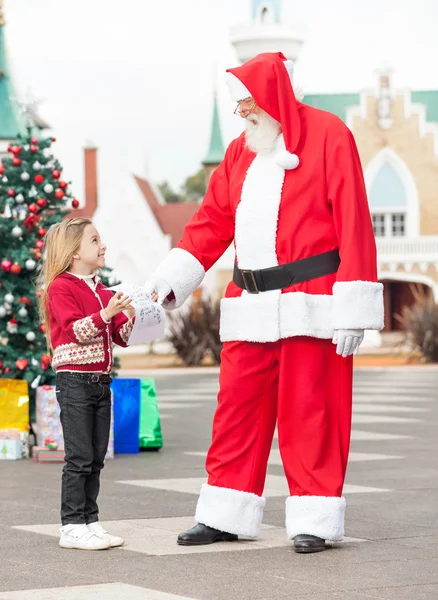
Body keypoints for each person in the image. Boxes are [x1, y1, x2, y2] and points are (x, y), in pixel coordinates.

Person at [144, 52, 384, 553]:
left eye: (250, 109)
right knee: (235, 410)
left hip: (311, 300)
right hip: (248, 303)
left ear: (274, 101)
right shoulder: (238, 154)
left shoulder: (329, 135)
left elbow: (355, 219)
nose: (244, 119)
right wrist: (167, 283)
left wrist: (354, 304)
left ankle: (315, 517)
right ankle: (225, 511)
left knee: (310, 412)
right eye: (241, 111)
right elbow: (210, 223)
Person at [38, 217, 140, 550]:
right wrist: (107, 314)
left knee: (96, 458)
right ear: (74, 252)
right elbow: (77, 331)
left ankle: (90, 521)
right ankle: (71, 526)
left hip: (100, 382)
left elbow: (118, 339)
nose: (103, 245)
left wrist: (132, 316)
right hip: (75, 383)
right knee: (79, 458)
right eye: (94, 241)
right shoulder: (60, 288)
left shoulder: (102, 289)